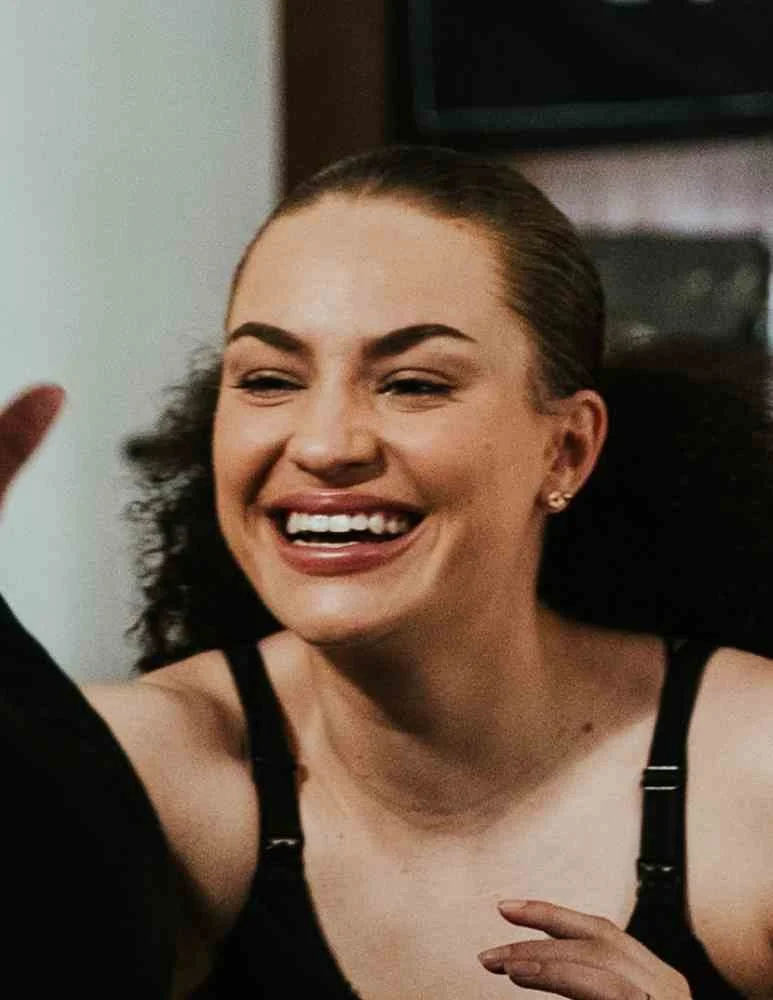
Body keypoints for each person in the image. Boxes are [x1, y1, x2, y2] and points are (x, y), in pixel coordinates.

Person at [3, 145, 773, 999]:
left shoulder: (755, 773)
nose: (324, 444)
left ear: (565, 449)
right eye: (269, 379)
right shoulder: (149, 769)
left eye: (412, 384)